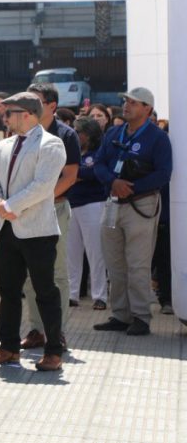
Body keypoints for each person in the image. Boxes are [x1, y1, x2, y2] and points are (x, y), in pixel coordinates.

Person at [0, 92, 67, 371]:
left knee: (45, 291)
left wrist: (11, 206)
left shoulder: (51, 144)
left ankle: (54, 350)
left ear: (28, 114)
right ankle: (8, 348)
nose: (4, 118)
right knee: (7, 290)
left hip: (37, 230)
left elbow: (44, 185)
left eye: (10, 113)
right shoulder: (4, 144)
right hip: (7, 229)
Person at [92, 87, 172, 337]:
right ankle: (121, 314)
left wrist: (133, 187)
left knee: (138, 264)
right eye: (125, 101)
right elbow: (99, 163)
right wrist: (113, 182)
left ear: (147, 108)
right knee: (114, 263)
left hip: (142, 203)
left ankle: (140, 317)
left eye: (133, 103)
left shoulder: (158, 137)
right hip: (113, 202)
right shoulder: (115, 132)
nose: (126, 106)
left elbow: (163, 173)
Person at [20, 83, 80, 351]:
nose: (30, 104)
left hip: (55, 208)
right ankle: (36, 329)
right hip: (27, 212)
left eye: (37, 100)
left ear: (52, 106)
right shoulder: (23, 132)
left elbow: (70, 175)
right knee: (31, 274)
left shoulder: (66, 135)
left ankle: (58, 331)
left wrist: (42, 196)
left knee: (57, 273)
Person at [66, 117, 108, 311]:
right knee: (71, 252)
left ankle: (100, 296)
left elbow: (95, 174)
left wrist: (76, 175)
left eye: (78, 132)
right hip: (71, 204)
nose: (75, 135)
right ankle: (72, 293)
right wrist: (79, 174)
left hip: (93, 204)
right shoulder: (72, 151)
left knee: (96, 252)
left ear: (88, 135)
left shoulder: (98, 151)